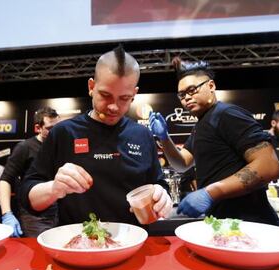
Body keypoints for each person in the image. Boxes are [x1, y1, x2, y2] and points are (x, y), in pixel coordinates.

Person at [21, 45, 172, 227]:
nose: (114, 107)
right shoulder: (64, 133)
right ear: (91, 87)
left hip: (133, 242)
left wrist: (162, 195)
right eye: (105, 95)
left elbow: (158, 184)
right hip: (78, 246)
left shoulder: (142, 134)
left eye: (124, 98)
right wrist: (54, 188)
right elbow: (28, 199)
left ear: (134, 94)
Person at [149, 57, 279, 225]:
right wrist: (164, 138)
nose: (186, 98)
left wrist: (210, 193)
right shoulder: (201, 125)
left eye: (192, 90)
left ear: (211, 86)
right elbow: (182, 164)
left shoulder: (227, 114)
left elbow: (268, 165)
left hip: (250, 221)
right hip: (224, 222)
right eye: (182, 95)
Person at [0, 107, 60, 237]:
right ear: (38, 128)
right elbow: (5, 180)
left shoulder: (60, 147)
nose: (56, 132)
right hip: (34, 216)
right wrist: (7, 213)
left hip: (59, 211)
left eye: (58, 127)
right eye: (50, 129)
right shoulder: (25, 147)